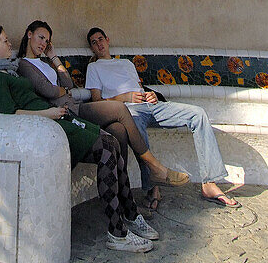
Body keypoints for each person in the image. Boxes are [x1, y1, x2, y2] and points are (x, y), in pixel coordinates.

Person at [0, 23, 155, 252]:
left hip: (60, 117)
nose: (10, 43)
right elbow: (11, 114)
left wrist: (57, 91)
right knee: (107, 149)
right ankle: (117, 233)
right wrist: (47, 112)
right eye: (5, 41)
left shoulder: (10, 70)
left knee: (113, 142)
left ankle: (130, 213)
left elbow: (64, 87)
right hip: (50, 123)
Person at [17, 20, 186, 215]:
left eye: (46, 41)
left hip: (76, 108)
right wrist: (63, 90)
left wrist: (53, 57)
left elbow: (67, 82)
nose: (43, 44)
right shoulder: (24, 64)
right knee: (119, 109)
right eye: (40, 38)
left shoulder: (45, 61)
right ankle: (155, 167)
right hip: (68, 114)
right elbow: (50, 90)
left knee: (118, 131)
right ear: (29, 34)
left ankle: (125, 203)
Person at [85, 27, 241, 208]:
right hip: (128, 111)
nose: (99, 44)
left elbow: (139, 88)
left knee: (198, 114)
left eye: (100, 39)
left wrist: (151, 95)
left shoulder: (126, 64)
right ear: (92, 49)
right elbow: (97, 101)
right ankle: (153, 187)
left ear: (108, 40)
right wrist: (124, 98)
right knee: (135, 127)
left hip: (151, 105)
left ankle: (209, 183)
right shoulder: (93, 68)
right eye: (94, 43)